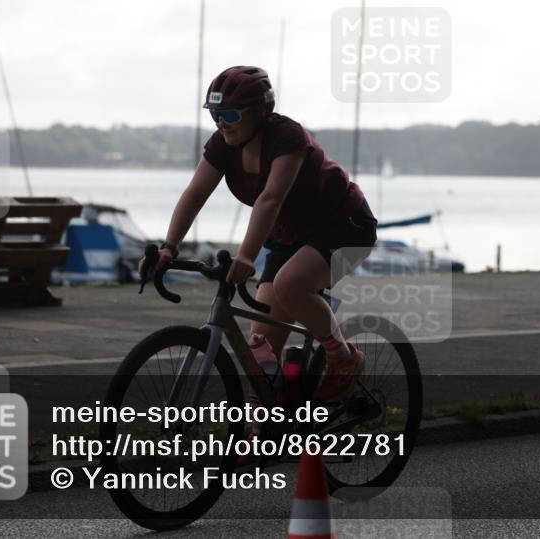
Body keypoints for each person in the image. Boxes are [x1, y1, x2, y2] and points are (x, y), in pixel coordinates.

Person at [142, 65, 377, 401]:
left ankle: (342, 357)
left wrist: (247, 256)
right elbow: (194, 194)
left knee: (291, 284)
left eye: (231, 114)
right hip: (288, 235)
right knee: (259, 356)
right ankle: (259, 436)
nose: (222, 122)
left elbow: (270, 199)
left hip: (343, 225)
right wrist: (169, 247)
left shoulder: (287, 138)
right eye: (215, 114)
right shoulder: (223, 145)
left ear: (261, 111)